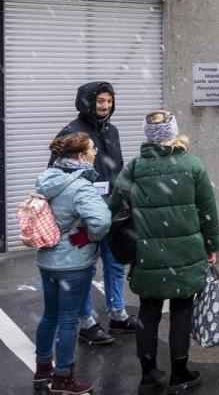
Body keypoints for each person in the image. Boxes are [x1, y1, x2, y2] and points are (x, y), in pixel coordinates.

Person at [108, 111, 219, 395]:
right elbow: (207, 210)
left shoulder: (133, 168)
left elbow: (113, 206)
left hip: (147, 253)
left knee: (149, 310)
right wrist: (211, 246)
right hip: (186, 252)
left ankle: (148, 373)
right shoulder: (192, 165)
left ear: (147, 134)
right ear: (174, 132)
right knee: (182, 309)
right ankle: (179, 373)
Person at [50, 81, 135, 346]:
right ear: (88, 102)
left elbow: (117, 170)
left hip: (111, 211)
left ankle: (118, 314)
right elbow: (57, 175)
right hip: (81, 216)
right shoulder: (72, 133)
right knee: (84, 270)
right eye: (100, 101)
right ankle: (86, 322)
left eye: (109, 101)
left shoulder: (113, 131)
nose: (105, 106)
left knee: (115, 265)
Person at [32, 133, 112, 395]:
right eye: (92, 149)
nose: (95, 153)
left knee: (50, 316)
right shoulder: (80, 186)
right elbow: (101, 222)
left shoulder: (48, 179)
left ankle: (43, 370)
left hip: (48, 261)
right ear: (80, 156)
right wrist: (88, 235)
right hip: (73, 263)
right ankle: (63, 378)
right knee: (68, 321)